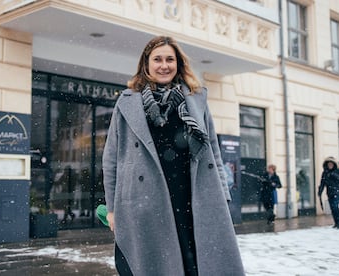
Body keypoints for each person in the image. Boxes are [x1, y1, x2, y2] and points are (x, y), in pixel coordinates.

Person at [102, 36, 244, 276]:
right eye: (157, 59)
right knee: (155, 266)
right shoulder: (127, 103)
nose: (164, 65)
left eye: (170, 59)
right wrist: (112, 209)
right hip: (146, 200)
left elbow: (213, 152)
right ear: (146, 64)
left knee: (195, 265)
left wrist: (222, 197)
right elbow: (111, 159)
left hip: (191, 196)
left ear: (179, 63)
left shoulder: (196, 100)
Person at [318, 157, 339, 229]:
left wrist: (333, 175)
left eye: (331, 164)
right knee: (332, 208)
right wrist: (320, 191)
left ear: (333, 164)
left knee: (335, 207)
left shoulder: (337, 171)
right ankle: (336, 222)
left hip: (336, 192)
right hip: (329, 192)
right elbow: (322, 183)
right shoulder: (325, 173)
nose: (330, 165)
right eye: (329, 164)